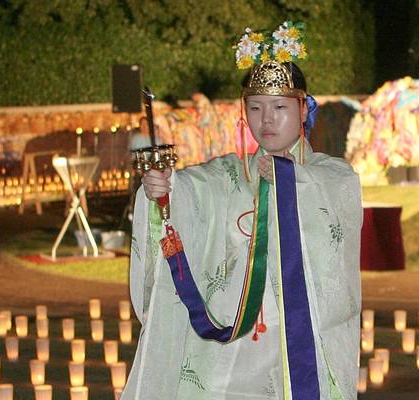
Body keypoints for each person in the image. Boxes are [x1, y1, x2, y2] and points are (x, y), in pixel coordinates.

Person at [125, 21, 362, 399]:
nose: (266, 120)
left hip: (298, 345)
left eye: (280, 107)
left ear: (304, 109)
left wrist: (288, 179)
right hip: (230, 346)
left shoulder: (328, 175)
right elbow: (195, 187)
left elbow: (337, 197)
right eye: (255, 107)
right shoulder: (229, 176)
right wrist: (167, 189)